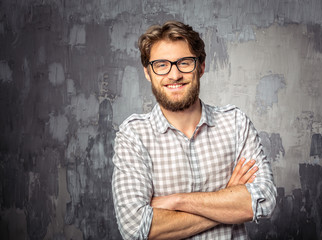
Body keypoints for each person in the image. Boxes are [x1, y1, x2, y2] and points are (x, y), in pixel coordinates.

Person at [112, 20, 277, 239]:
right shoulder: (133, 136)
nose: (174, 75)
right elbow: (135, 228)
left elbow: (264, 201)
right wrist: (227, 199)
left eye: (185, 63)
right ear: (147, 72)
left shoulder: (236, 123)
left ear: (201, 66)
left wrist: (178, 201)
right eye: (161, 64)